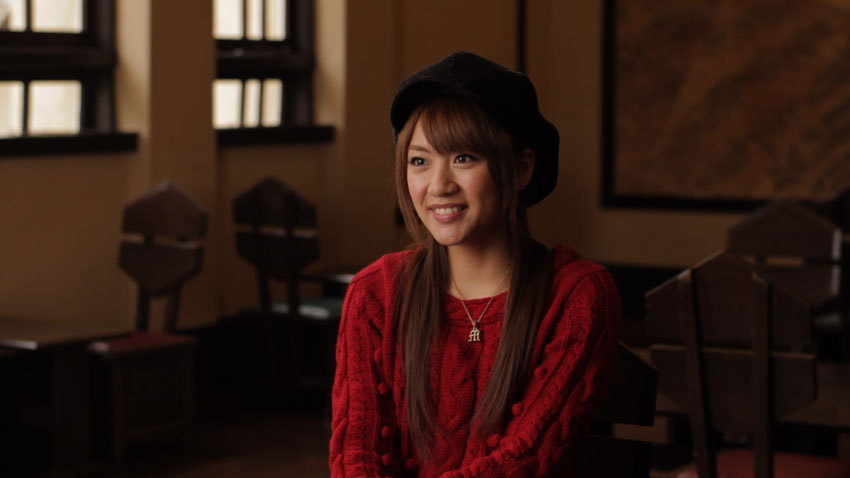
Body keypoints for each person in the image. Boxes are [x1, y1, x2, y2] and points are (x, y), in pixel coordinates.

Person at [329, 51, 620, 477]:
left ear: (520, 170)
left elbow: (525, 459)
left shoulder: (577, 295)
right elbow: (358, 451)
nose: (439, 185)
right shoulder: (375, 292)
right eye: (419, 161)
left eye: (463, 157)